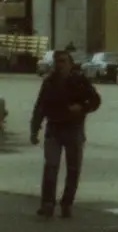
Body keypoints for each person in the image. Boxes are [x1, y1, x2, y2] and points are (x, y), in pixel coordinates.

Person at [30, 49, 102, 219]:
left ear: (70, 64)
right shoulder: (49, 82)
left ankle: (67, 203)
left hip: (73, 129)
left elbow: (95, 100)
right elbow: (40, 106)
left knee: (73, 168)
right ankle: (47, 204)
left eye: (63, 61)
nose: (60, 65)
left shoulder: (79, 81)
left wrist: (82, 108)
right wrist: (34, 129)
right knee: (51, 166)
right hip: (54, 129)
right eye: (57, 62)